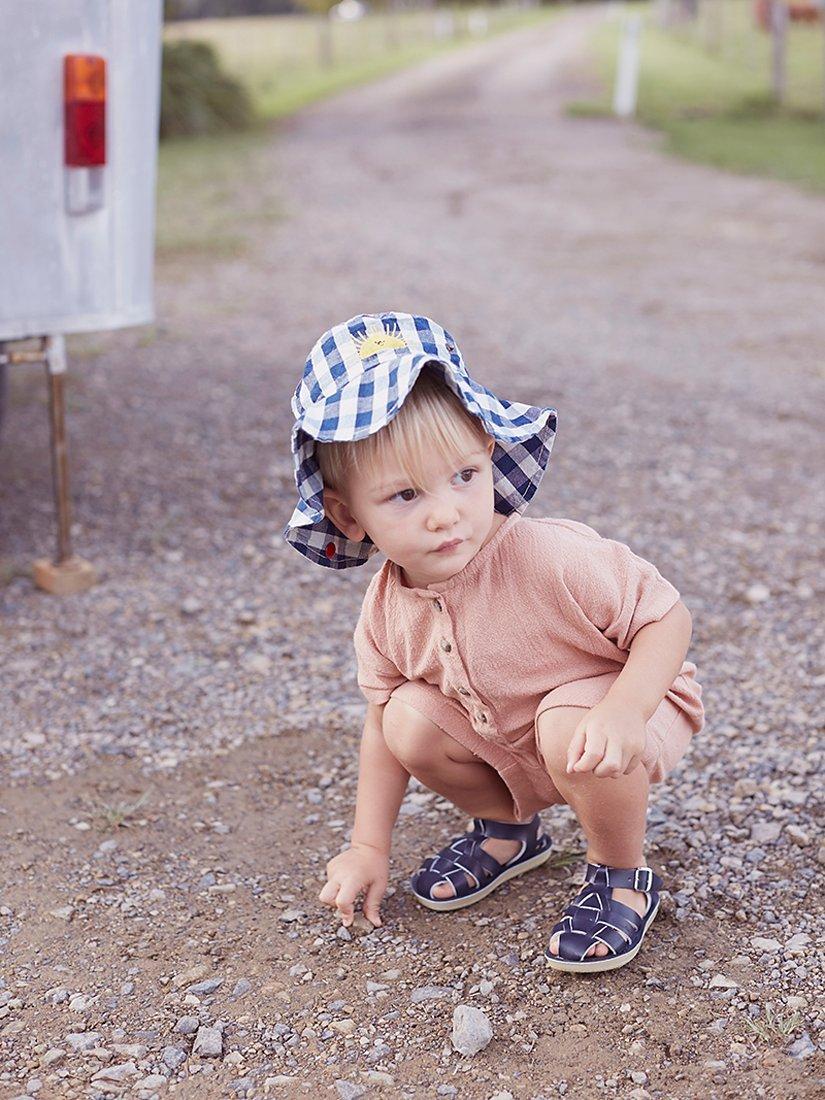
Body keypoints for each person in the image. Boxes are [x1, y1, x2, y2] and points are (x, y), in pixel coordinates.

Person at [283, 311, 704, 973]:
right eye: (403, 494)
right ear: (345, 515)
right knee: (405, 722)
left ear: (487, 452)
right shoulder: (385, 611)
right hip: (515, 738)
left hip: (625, 714)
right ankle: (509, 832)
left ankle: (621, 874)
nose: (444, 511)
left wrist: (626, 708)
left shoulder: (550, 557)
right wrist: (368, 844)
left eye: (462, 477)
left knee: (568, 722)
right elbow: (377, 732)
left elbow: (665, 618)